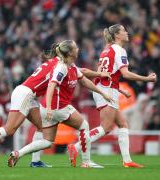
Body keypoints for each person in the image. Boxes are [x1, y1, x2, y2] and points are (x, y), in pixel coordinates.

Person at [0, 39, 112, 167]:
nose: (78, 49)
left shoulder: (61, 62)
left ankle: (35, 162)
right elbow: (66, 79)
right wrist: (49, 107)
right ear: (69, 52)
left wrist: (99, 74)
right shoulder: (60, 66)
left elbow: (81, 72)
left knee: (41, 127)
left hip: (29, 94)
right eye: (75, 47)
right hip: (27, 93)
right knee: (10, 129)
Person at [67, 24, 157, 168]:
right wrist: (147, 79)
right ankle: (76, 147)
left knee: (122, 124)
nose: (127, 33)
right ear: (117, 35)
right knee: (106, 127)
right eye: (123, 31)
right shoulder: (119, 50)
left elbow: (107, 75)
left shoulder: (107, 50)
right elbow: (125, 74)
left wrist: (120, 91)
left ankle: (127, 161)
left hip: (105, 88)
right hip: (107, 90)